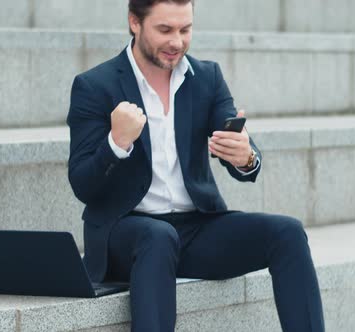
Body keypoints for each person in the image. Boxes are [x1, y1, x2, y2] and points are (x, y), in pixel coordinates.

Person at [66, 0, 325, 330]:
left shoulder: (207, 77)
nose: (177, 41)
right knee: (157, 237)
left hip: (195, 229)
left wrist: (245, 156)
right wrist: (116, 143)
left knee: (287, 232)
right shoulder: (95, 86)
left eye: (185, 29)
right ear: (134, 22)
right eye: (165, 30)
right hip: (127, 232)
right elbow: (82, 183)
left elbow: (241, 150)